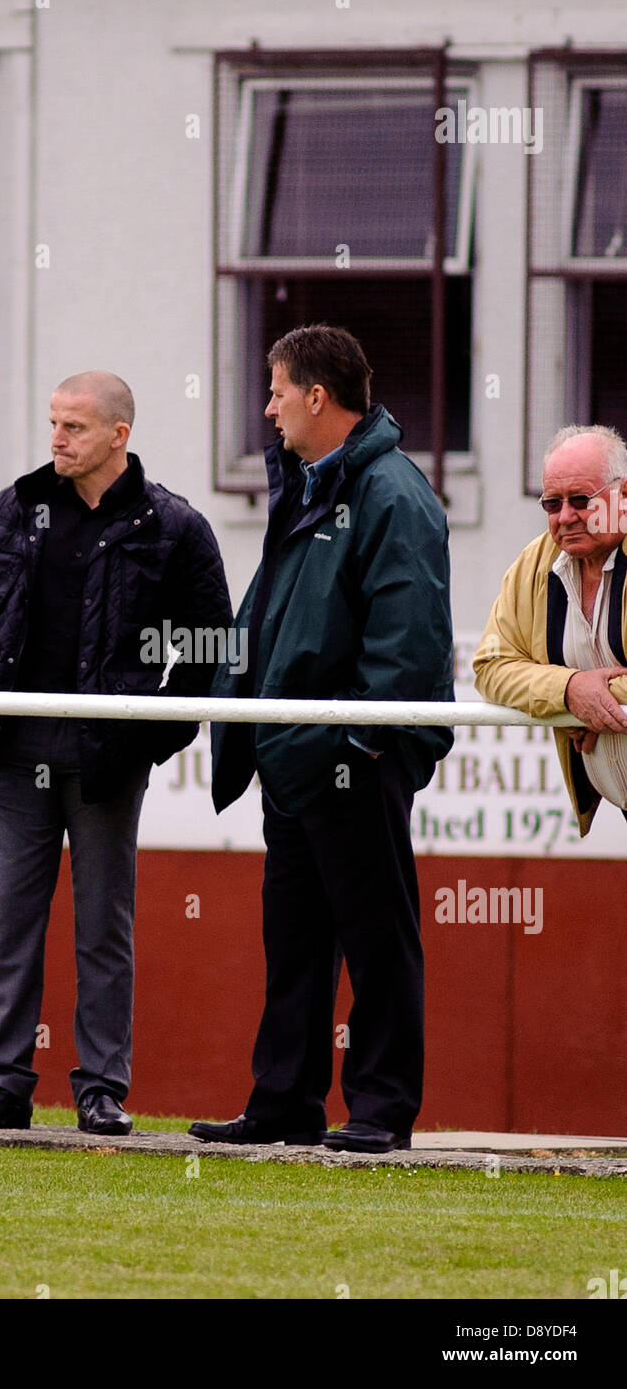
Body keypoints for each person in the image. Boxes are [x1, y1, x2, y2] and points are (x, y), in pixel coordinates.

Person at [188, 324, 454, 1154]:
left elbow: (408, 640)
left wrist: (358, 744)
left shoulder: (392, 492)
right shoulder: (312, 486)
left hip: (348, 761)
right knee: (295, 943)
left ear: (316, 395)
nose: (266, 408)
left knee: (377, 941)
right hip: (296, 759)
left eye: (275, 391)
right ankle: (284, 1104)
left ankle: (379, 1111)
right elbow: (275, 618)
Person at [0, 371, 232, 1134]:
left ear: (118, 435)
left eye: (73, 427)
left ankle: (101, 1089)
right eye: (53, 424)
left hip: (109, 756)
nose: (57, 439)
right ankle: (3, 1084)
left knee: (105, 923)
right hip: (15, 749)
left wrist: (151, 736)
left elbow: (210, 646)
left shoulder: (173, 526)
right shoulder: (16, 507)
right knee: (9, 916)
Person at [473, 424, 627, 834]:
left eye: (581, 500)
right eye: (551, 503)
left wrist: (590, 701)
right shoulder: (535, 563)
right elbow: (490, 666)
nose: (565, 517)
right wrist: (568, 691)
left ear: (623, 496)